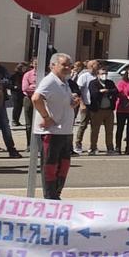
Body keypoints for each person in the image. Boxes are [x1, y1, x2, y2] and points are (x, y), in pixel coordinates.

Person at [31, 53, 79, 200]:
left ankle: (56, 195)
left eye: (69, 65)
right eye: (64, 65)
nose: (67, 68)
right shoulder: (49, 81)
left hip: (64, 131)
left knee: (63, 166)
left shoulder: (64, 81)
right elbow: (36, 98)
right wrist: (46, 117)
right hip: (51, 132)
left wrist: (73, 101)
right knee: (50, 167)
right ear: (53, 65)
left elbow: (61, 101)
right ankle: (50, 198)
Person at [86, 65, 119, 155]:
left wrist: (107, 91)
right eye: (102, 73)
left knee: (109, 131)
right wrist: (101, 91)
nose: (104, 75)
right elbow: (94, 93)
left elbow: (116, 91)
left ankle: (110, 148)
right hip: (97, 110)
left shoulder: (110, 83)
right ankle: (93, 148)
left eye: (106, 73)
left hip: (109, 110)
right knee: (95, 130)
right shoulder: (93, 83)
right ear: (97, 74)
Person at [73, 59, 99, 153]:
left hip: (95, 105)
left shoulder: (98, 76)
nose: (98, 66)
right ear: (91, 66)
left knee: (95, 127)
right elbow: (78, 91)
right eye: (96, 65)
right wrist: (81, 103)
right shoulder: (84, 76)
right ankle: (78, 144)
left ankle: (93, 146)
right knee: (83, 125)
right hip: (86, 104)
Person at [21, 59, 38, 146]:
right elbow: (25, 88)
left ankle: (39, 144)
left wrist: (33, 86)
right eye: (35, 63)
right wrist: (38, 88)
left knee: (39, 123)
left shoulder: (46, 75)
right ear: (32, 64)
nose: (37, 65)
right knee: (29, 124)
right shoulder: (27, 75)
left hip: (41, 100)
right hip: (29, 99)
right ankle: (29, 144)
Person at [10, 62, 26, 126]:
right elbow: (9, 84)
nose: (24, 69)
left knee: (20, 107)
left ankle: (17, 120)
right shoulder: (14, 75)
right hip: (15, 93)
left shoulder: (24, 74)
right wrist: (14, 87)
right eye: (23, 68)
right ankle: (14, 120)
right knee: (16, 107)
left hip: (22, 93)